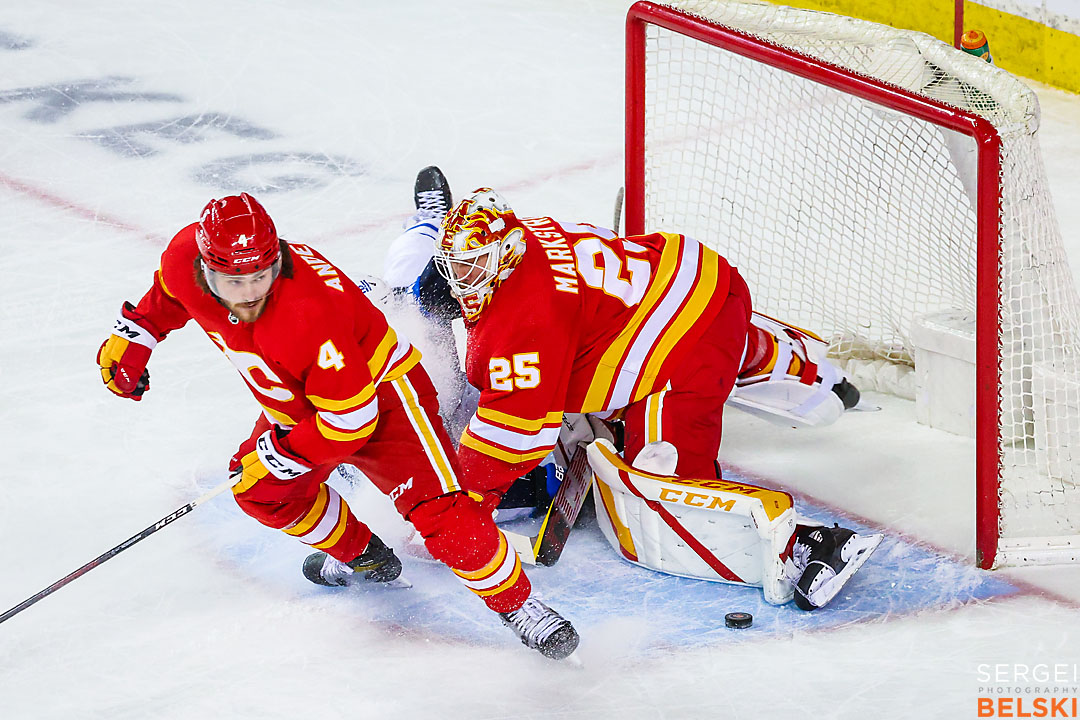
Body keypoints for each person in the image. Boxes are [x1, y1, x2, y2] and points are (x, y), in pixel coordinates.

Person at [95, 191, 579, 659]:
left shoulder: (307, 313)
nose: (248, 295)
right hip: (305, 403)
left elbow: (350, 421)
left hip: (384, 403)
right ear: (205, 266)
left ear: (278, 258)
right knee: (261, 492)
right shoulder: (185, 258)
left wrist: (278, 456)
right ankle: (368, 556)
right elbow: (168, 291)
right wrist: (138, 332)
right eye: (233, 283)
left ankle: (520, 607)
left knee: (443, 517)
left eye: (261, 277)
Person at [431, 185, 882, 611]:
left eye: (471, 265)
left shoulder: (525, 318)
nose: (459, 279)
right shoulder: (526, 234)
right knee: (637, 356)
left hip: (688, 347)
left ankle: (810, 544)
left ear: (504, 255)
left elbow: (515, 433)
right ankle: (776, 357)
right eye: (454, 266)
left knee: (658, 481)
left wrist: (456, 507)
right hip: (692, 274)